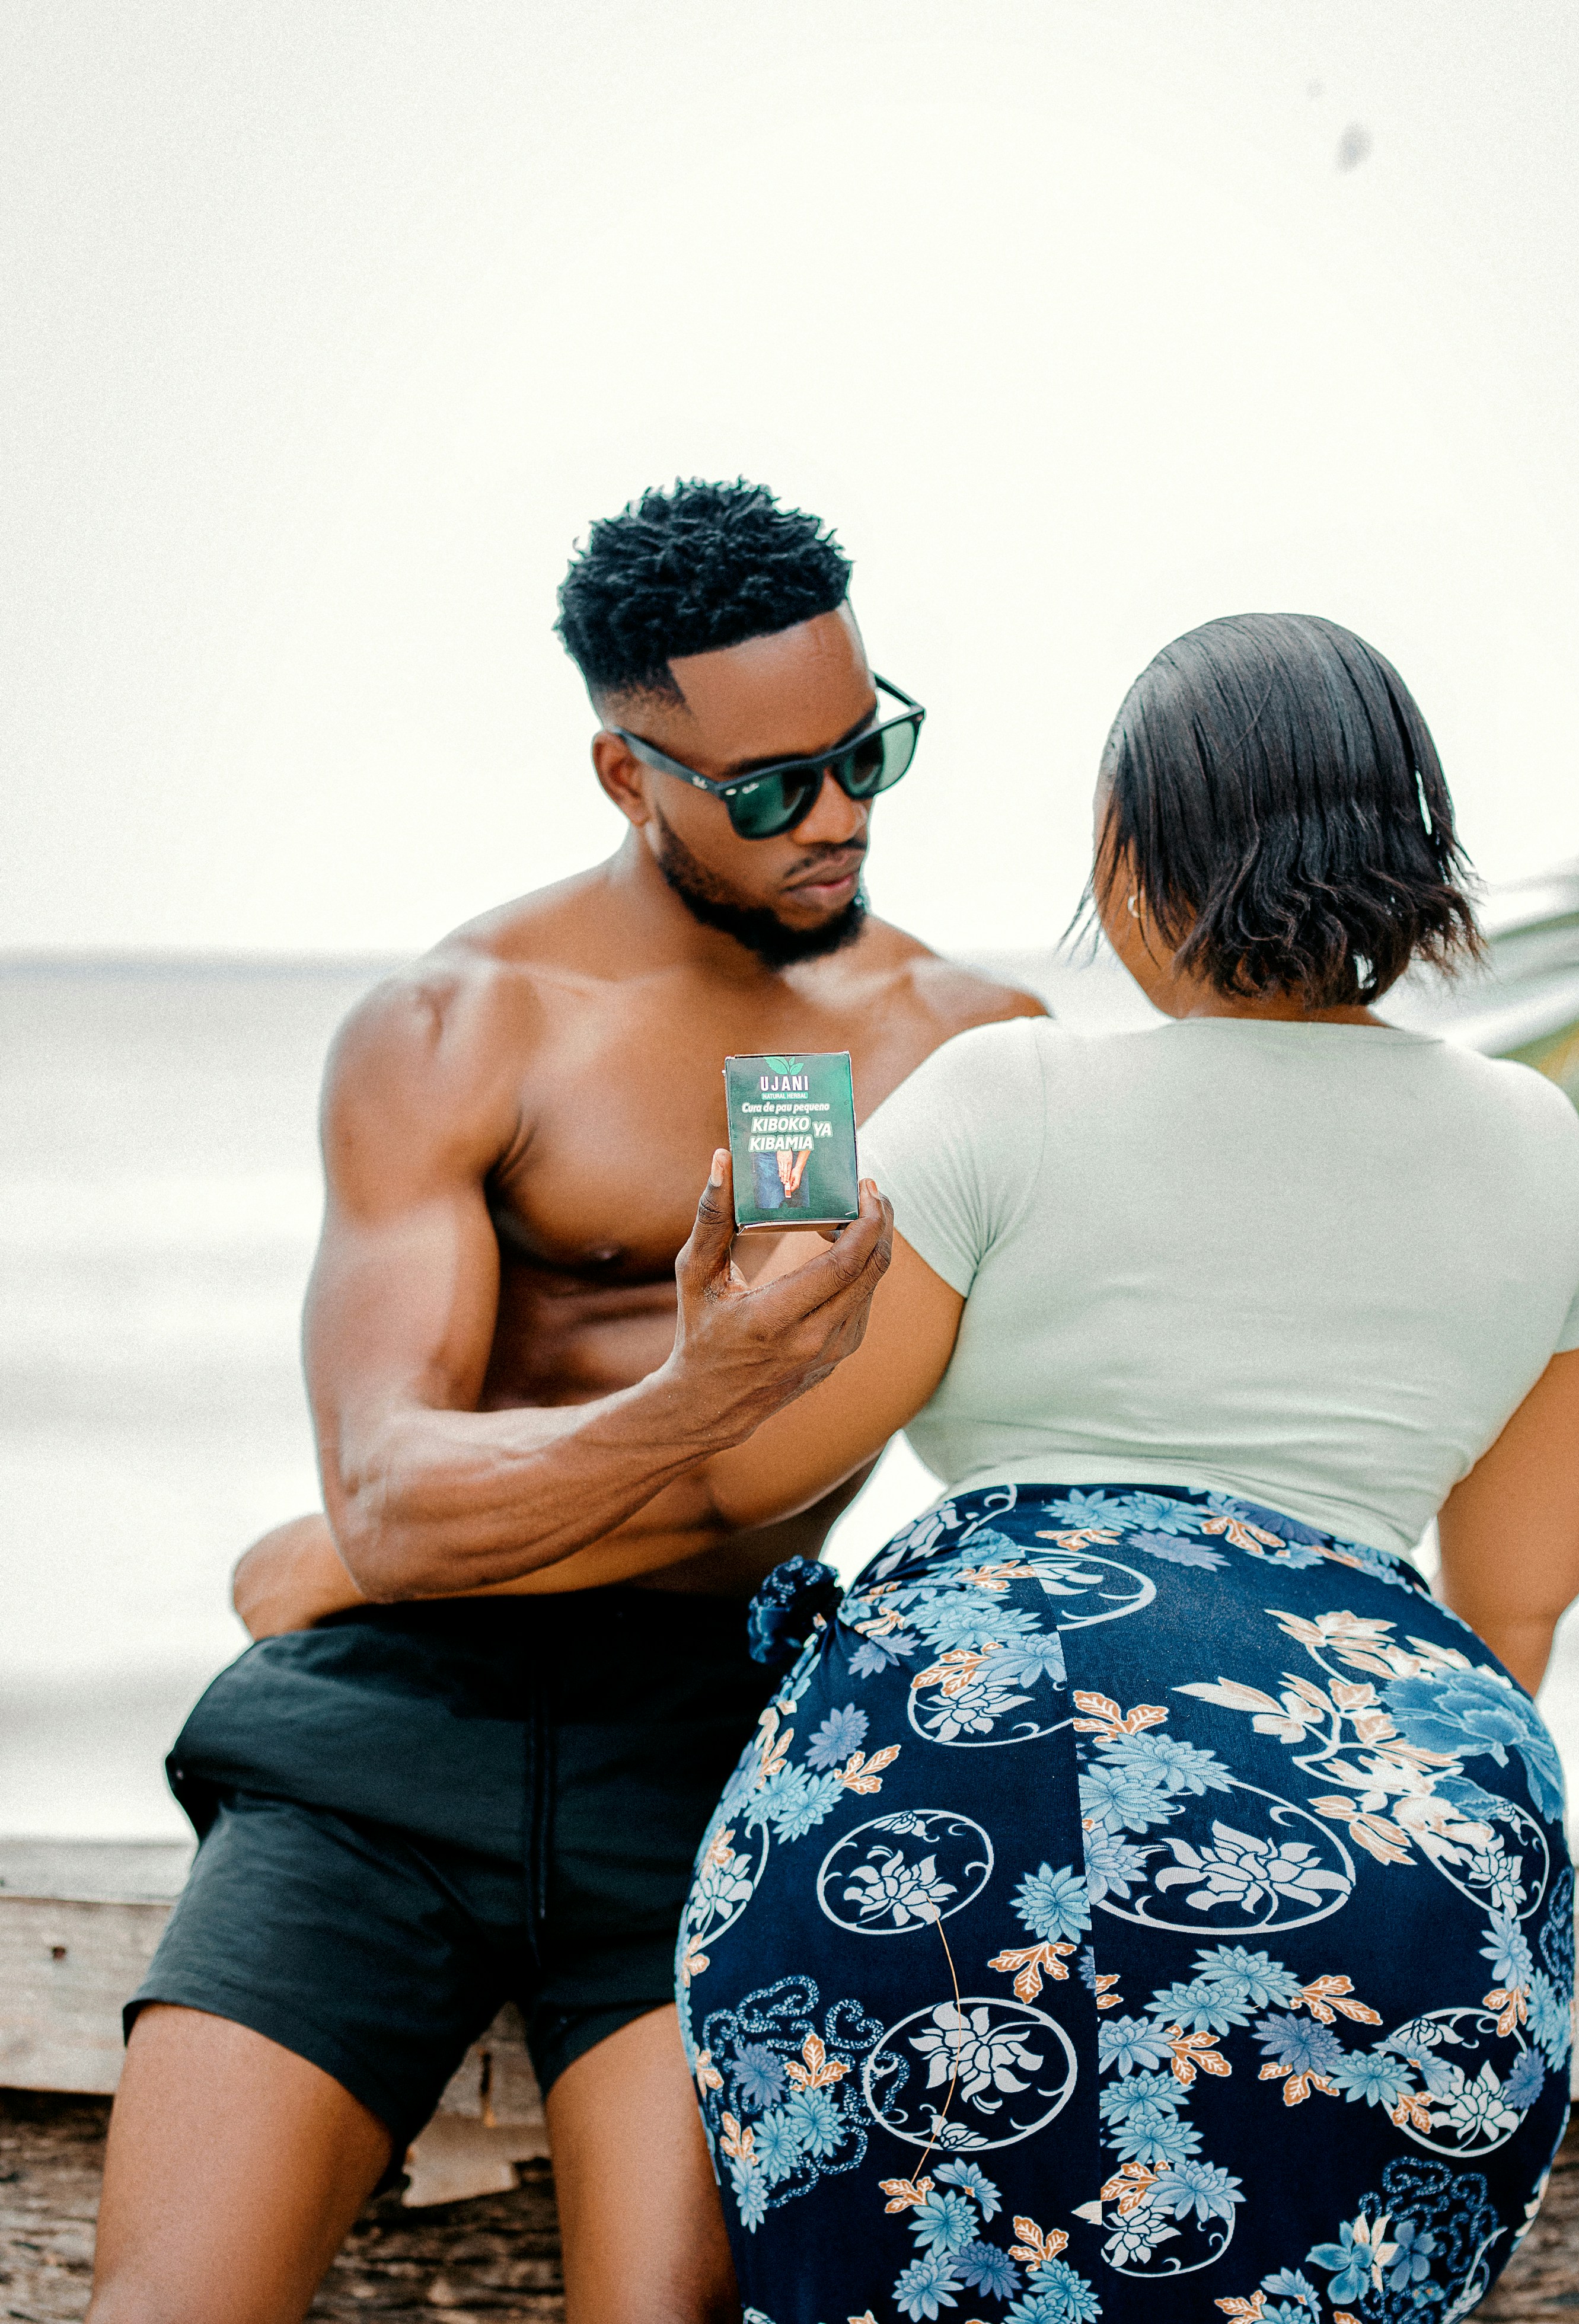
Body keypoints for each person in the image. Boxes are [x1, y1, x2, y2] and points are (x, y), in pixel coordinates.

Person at [575, 611, 1579, 2319]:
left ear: (1134, 863)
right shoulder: (1539, 1146)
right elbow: (1514, 1613)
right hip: (1388, 1856)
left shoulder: (1010, 1096)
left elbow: (754, 1471)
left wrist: (723, 1346)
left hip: (954, 1792)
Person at [88, 479, 1040, 2324]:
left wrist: (395, 1542)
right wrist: (699, 1406)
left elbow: (407, 1531)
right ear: (625, 775)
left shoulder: (957, 1048)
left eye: (868, 753)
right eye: (770, 789)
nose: (836, 818)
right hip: (376, 1743)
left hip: (698, 1756)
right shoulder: (462, 1027)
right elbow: (388, 1505)